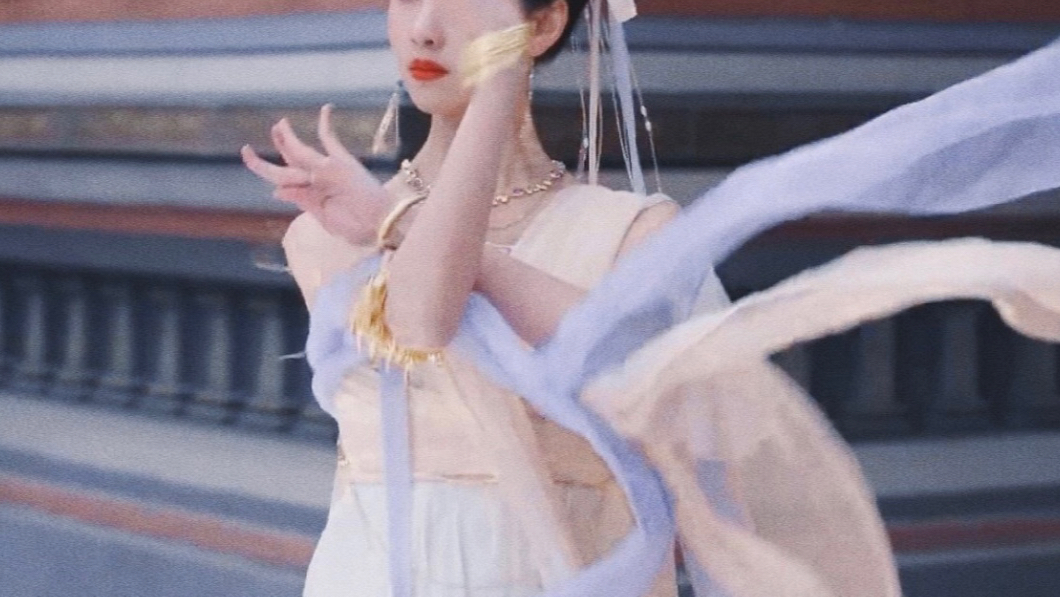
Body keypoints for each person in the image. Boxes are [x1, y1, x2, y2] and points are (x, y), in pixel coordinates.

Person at [243, 1, 1060, 596]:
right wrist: (394, 217)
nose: (423, 27)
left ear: (544, 24)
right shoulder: (328, 231)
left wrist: (410, 201)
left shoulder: (632, 237)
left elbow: (693, 420)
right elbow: (425, 312)